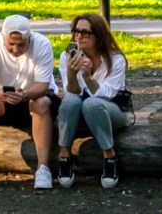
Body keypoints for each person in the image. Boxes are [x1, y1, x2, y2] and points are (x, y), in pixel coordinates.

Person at [0, 12, 59, 189]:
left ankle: (43, 168)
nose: (16, 50)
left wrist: (24, 94)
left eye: (21, 45)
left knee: (38, 102)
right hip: (5, 100)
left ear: (29, 39)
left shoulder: (42, 44)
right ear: (3, 38)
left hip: (36, 97)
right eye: (11, 44)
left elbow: (43, 85)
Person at [55, 11, 131, 190]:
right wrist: (72, 75)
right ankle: (65, 155)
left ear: (98, 35)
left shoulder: (115, 59)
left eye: (85, 32)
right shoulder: (68, 56)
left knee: (92, 103)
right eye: (76, 31)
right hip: (79, 112)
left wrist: (88, 77)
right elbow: (71, 92)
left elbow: (108, 95)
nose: (78, 36)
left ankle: (109, 156)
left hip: (111, 111)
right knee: (70, 101)